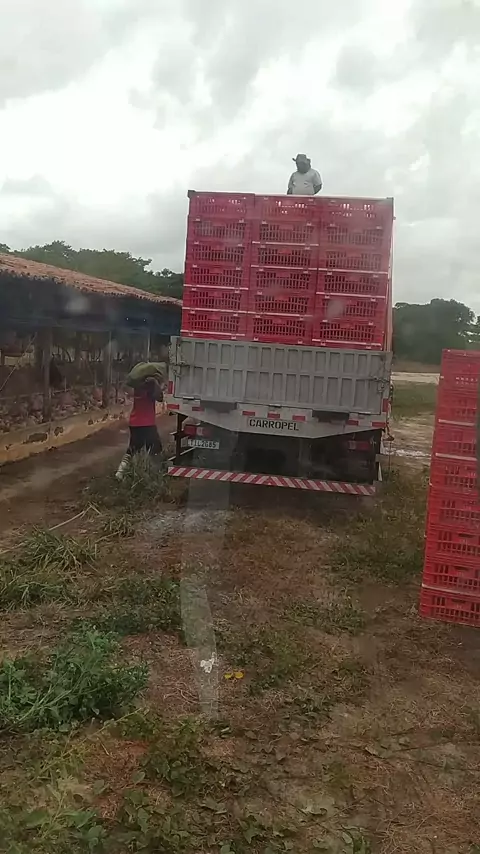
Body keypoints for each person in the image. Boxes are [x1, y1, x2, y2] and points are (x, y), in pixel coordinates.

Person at [115, 376, 164, 479]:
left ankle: (120, 472)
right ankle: (154, 473)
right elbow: (160, 398)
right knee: (155, 448)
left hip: (135, 423)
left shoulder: (138, 387)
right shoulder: (150, 389)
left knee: (133, 448)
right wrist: (155, 383)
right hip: (147, 424)